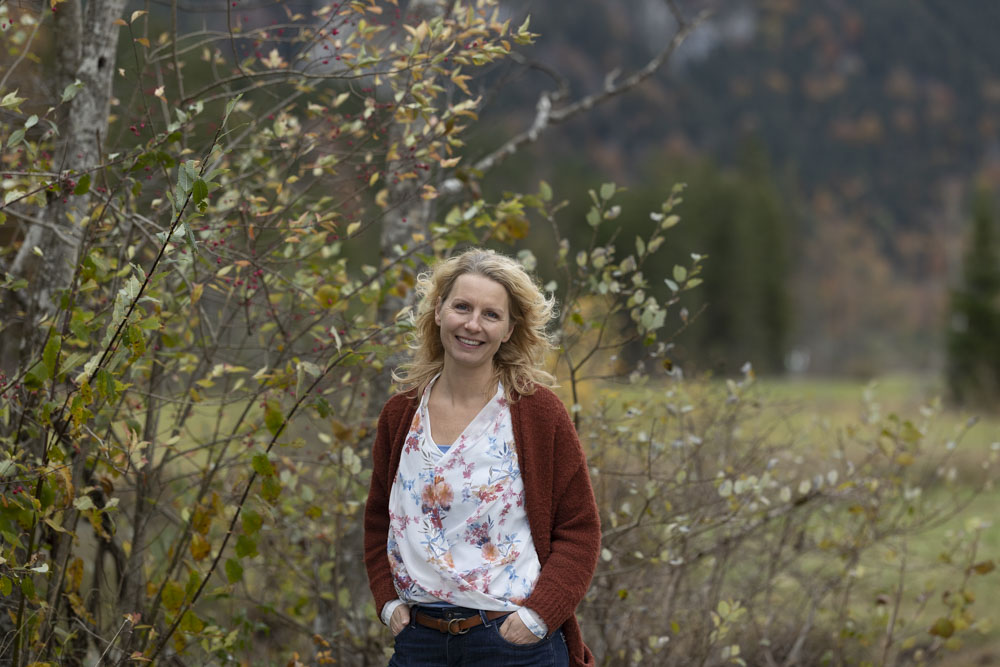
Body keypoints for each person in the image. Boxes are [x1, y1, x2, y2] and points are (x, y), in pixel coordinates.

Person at [364, 248, 601, 666]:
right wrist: (387, 600)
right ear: (439, 311)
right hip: (419, 643)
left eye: (491, 314)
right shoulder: (401, 414)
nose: (473, 324)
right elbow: (379, 521)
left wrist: (538, 617)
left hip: (513, 643)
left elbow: (579, 529)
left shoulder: (536, 413)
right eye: (462, 307)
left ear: (509, 330)